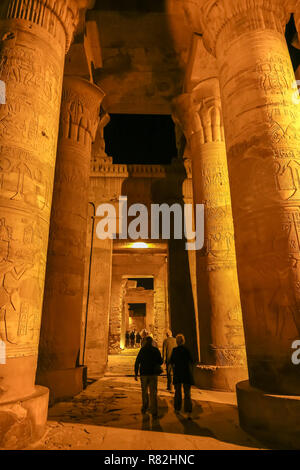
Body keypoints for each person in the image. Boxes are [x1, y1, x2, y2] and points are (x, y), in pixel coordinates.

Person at [134, 336, 163, 418]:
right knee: (153, 393)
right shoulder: (155, 350)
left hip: (144, 374)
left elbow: (137, 362)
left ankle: (145, 407)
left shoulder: (142, 350)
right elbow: (160, 361)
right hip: (153, 374)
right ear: (152, 342)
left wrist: (136, 373)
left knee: (144, 392)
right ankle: (154, 410)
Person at [170, 334, 194, 419]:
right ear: (183, 341)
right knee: (187, 394)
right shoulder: (186, 350)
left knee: (178, 392)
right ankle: (188, 412)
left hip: (178, 373)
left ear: (177, 341)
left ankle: (177, 409)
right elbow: (191, 360)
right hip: (186, 373)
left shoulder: (175, 350)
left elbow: (171, 361)